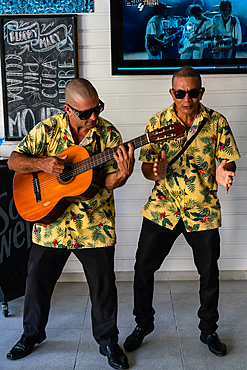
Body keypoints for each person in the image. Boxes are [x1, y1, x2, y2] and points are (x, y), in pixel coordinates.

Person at [6, 78, 135, 370]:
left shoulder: (108, 134)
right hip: (51, 224)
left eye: (97, 109)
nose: (94, 118)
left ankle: (107, 342)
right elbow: (15, 161)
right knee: (37, 281)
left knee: (103, 286)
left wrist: (124, 174)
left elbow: (110, 182)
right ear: (68, 109)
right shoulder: (47, 130)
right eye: (85, 113)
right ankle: (31, 335)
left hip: (94, 224)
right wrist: (43, 164)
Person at [124, 66, 240, 357]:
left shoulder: (217, 122)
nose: (186, 99)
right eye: (180, 93)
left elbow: (228, 160)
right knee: (143, 267)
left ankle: (208, 330)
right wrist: (155, 171)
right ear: (172, 93)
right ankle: (143, 324)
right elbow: (146, 167)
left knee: (209, 273)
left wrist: (225, 171)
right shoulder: (157, 122)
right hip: (164, 207)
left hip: (202, 209)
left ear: (201, 92)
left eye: (192, 93)